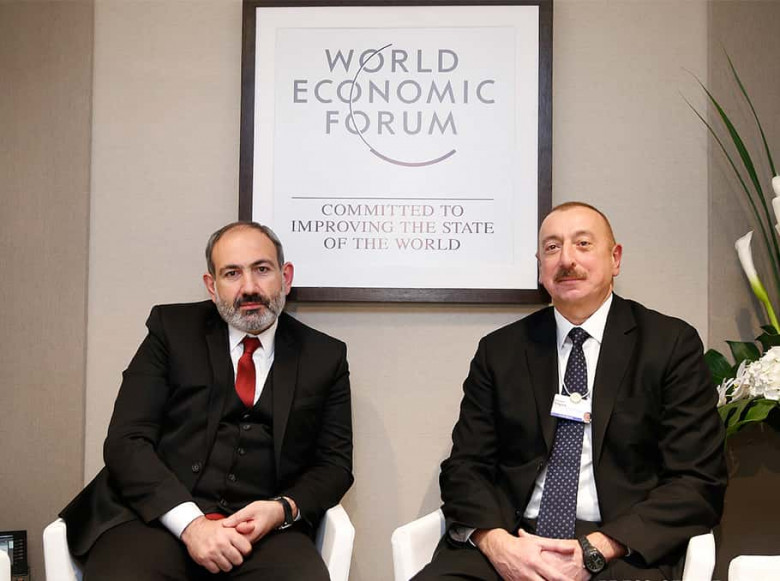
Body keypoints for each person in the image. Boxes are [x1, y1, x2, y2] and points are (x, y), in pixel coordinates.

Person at [415, 202, 727, 580]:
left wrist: (599, 548)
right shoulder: (500, 351)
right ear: (540, 266)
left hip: (619, 543)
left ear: (615, 258)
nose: (566, 259)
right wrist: (497, 544)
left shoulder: (669, 344)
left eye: (583, 244)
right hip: (513, 535)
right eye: (552, 247)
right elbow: (465, 467)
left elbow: (697, 480)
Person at [60, 221, 353, 580]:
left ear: (286, 277)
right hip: (155, 518)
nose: (249, 287)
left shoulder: (325, 356)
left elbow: (334, 466)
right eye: (232, 273)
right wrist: (191, 525)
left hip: (265, 532)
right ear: (212, 286)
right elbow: (126, 441)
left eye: (262, 269)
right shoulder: (171, 330)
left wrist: (281, 509)